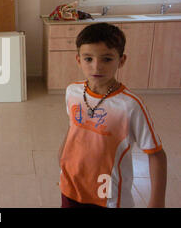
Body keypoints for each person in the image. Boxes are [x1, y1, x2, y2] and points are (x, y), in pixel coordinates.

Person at [58, 22, 167, 208]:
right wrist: (63, 159)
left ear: (121, 60)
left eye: (107, 59)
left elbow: (156, 154)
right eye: (88, 59)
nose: (97, 67)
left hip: (107, 194)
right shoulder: (72, 92)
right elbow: (73, 127)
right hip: (71, 184)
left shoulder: (130, 105)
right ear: (78, 60)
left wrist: (157, 201)